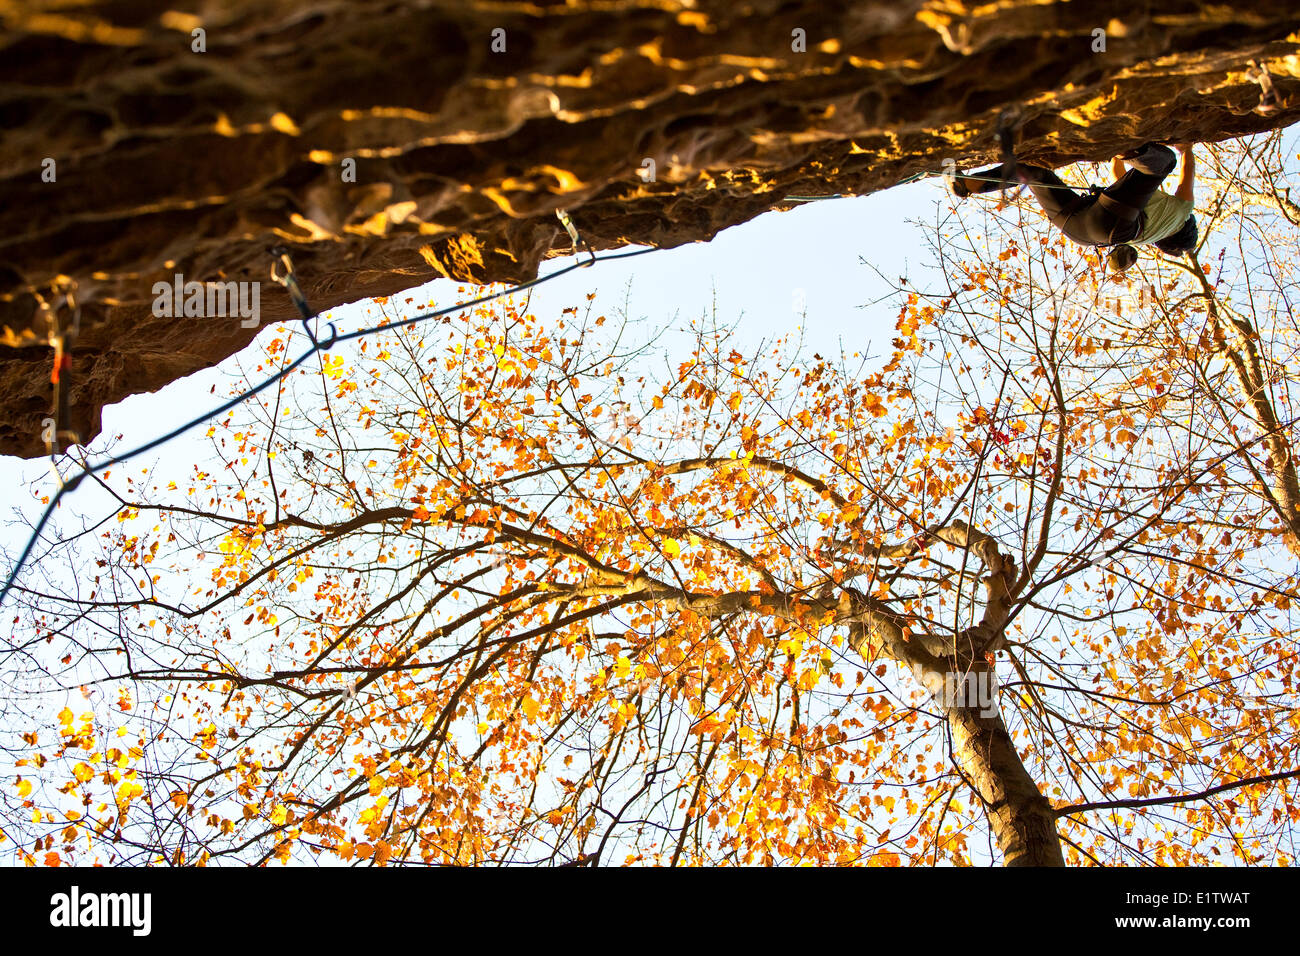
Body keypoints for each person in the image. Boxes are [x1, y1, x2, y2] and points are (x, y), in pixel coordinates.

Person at [951, 142, 1197, 273]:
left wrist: (1187, 149)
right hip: (1080, 230)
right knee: (1034, 173)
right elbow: (1119, 176)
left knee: (1165, 163)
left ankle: (1128, 144)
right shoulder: (1148, 235)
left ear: (1187, 226)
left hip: (1110, 221)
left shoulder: (1183, 212)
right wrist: (1117, 154)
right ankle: (968, 184)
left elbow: (1187, 174)